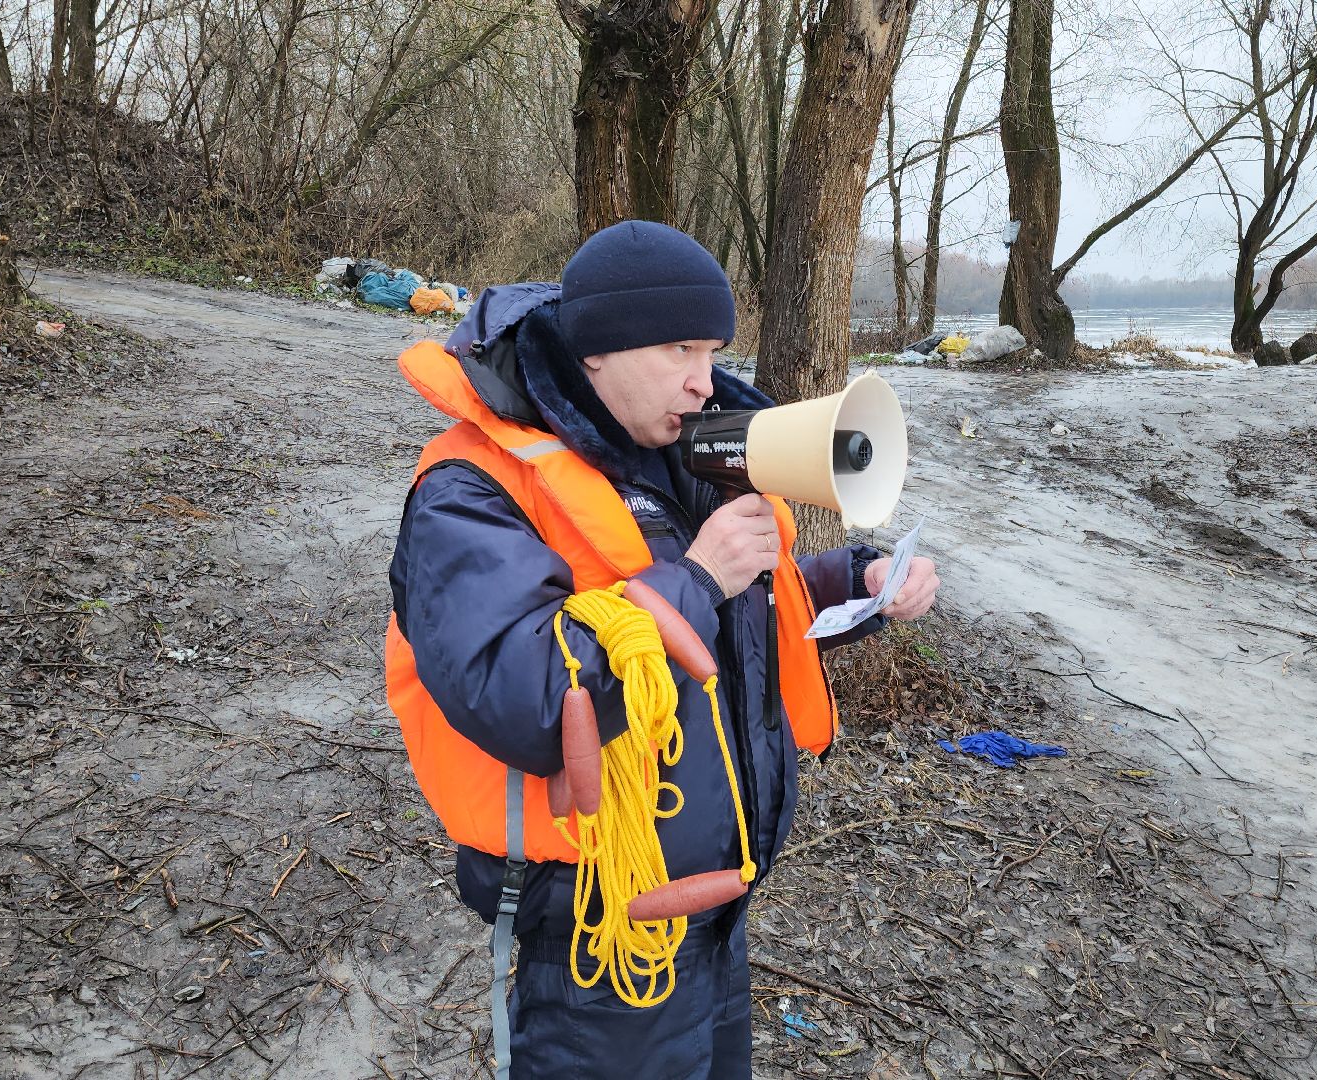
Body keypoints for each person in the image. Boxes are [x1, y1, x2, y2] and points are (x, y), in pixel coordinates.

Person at [386, 220, 939, 1078]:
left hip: (713, 904)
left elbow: (742, 617)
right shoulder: (469, 491)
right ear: (596, 351)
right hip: (595, 927)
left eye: (713, 347)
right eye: (680, 347)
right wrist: (701, 576)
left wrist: (857, 586)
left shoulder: (678, 455)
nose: (704, 377)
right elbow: (525, 697)